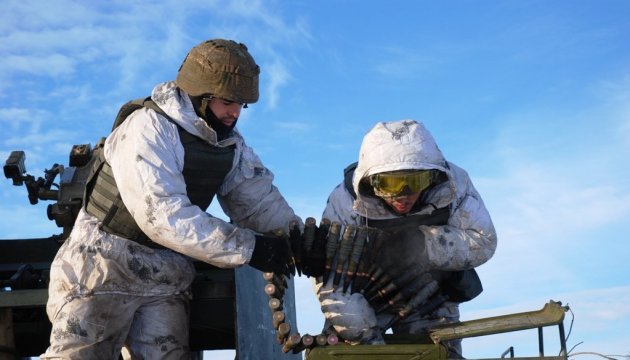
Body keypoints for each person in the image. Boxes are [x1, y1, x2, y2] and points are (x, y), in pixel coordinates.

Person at [41, 39, 300, 359]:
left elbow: (257, 201)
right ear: (200, 94)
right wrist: (252, 248)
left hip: (165, 276)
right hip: (103, 269)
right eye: (227, 101)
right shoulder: (148, 127)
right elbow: (162, 215)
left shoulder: (230, 145)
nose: (235, 112)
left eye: (241, 104)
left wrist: (297, 238)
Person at [315, 119, 497, 357]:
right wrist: (363, 335)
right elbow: (331, 275)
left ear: (431, 176)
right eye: (388, 184)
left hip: (431, 295)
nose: (403, 196)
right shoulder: (346, 200)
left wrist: (422, 245)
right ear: (370, 181)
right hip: (365, 298)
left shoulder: (454, 185)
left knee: (438, 354)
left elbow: (482, 240)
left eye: (414, 182)